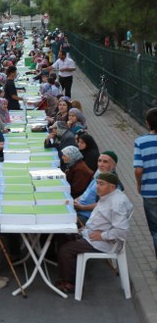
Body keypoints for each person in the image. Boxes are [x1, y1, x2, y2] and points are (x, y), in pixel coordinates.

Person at [56, 172, 133, 293]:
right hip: (92, 234)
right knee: (62, 236)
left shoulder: (117, 203)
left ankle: (70, 283)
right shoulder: (109, 196)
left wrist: (102, 236)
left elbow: (122, 231)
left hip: (102, 242)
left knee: (66, 250)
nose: (97, 186)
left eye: (101, 184)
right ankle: (66, 273)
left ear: (112, 187)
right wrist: (84, 230)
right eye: (97, 183)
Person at [134, 107, 157, 265]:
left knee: (155, 231)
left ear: (147, 123)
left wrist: (138, 184)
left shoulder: (141, 142)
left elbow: (138, 169)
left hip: (149, 192)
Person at [74, 151, 120, 224]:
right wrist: (75, 200)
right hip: (79, 210)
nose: (101, 164)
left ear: (114, 165)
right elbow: (87, 192)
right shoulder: (99, 176)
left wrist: (82, 207)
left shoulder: (111, 183)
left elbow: (105, 205)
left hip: (89, 217)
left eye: (105, 162)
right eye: (99, 161)